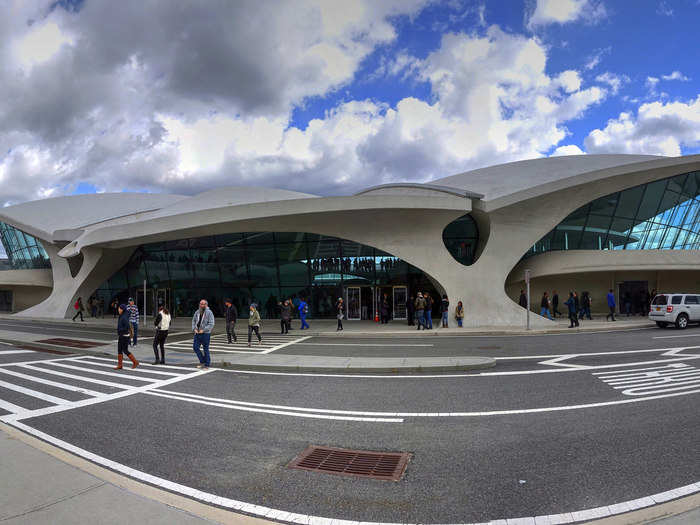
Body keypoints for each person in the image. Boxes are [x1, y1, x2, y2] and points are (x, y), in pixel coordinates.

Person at [115, 304, 139, 369]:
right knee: (119, 350)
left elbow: (127, 326)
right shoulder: (122, 315)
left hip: (124, 336)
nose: (118, 310)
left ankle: (135, 362)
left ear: (122, 309)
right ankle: (120, 365)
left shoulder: (124, 317)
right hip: (121, 335)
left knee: (125, 350)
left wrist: (121, 330)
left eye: (119, 308)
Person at [192, 299, 215, 369]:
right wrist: (194, 329)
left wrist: (204, 330)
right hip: (197, 333)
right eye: (201, 304)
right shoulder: (197, 312)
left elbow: (211, 324)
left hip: (205, 334)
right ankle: (202, 361)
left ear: (206, 305)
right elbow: (193, 321)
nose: (202, 305)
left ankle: (207, 364)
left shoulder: (209, 312)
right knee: (195, 347)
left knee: (205, 349)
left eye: (203, 304)